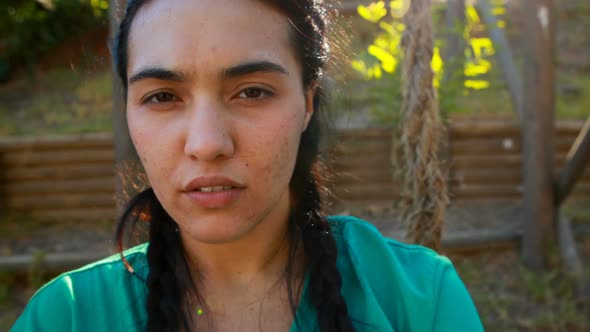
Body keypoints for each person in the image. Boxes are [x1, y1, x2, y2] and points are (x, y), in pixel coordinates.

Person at [12, 0, 484, 331]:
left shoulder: (418, 300)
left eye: (252, 91)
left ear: (307, 102)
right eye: (162, 97)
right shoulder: (65, 317)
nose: (207, 144)